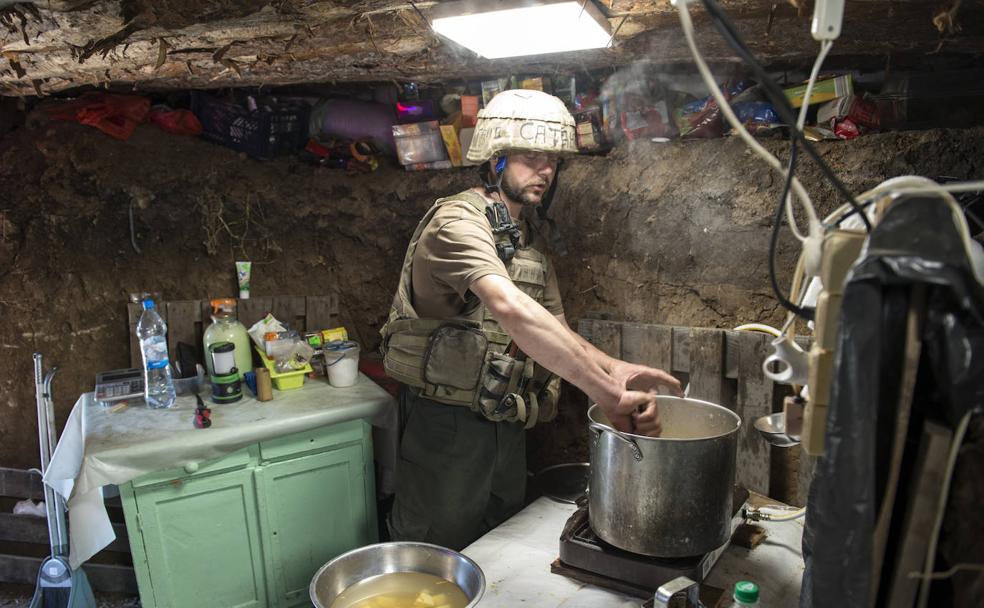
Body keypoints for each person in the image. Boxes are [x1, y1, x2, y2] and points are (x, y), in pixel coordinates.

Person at [380, 89, 682, 550]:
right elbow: (508, 307)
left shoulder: (525, 240)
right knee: (438, 551)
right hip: (447, 424)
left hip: (504, 419)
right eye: (530, 156)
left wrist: (613, 369)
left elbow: (554, 325)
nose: (545, 169)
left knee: (499, 543)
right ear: (495, 158)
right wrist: (607, 394)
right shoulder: (456, 223)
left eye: (552, 160)